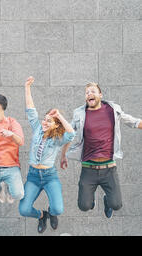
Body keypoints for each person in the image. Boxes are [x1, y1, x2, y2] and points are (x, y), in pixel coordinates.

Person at [60, 82, 142, 218]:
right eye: (87, 93)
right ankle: (89, 199)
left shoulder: (113, 109)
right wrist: (63, 155)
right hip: (88, 168)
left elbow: (133, 121)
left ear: (100, 95)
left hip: (109, 168)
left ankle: (107, 201)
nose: (89, 94)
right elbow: (70, 134)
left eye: (92, 91)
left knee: (117, 205)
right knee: (84, 206)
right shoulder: (79, 113)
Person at [18, 76, 75, 233]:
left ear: (55, 125)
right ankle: (42, 215)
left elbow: (71, 134)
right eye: (44, 119)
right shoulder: (37, 128)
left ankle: (50, 213)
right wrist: (27, 87)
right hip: (33, 176)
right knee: (23, 209)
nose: (44, 122)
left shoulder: (57, 139)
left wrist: (59, 116)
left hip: (50, 176)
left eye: (49, 121)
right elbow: (30, 108)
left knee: (58, 209)